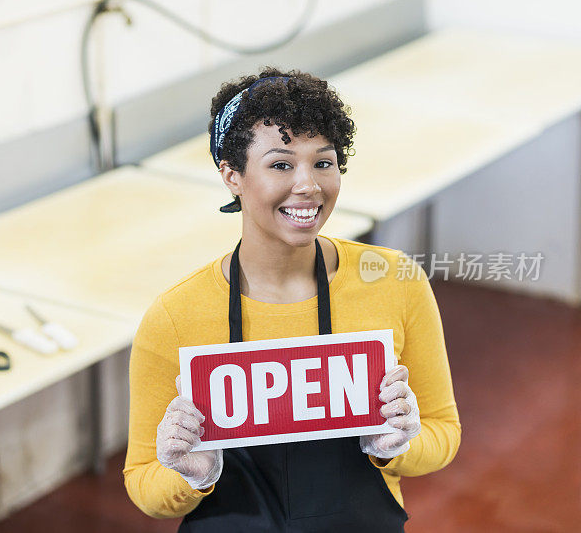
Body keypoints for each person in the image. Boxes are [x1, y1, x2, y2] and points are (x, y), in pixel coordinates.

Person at [122, 66, 461, 532]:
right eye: (281, 164)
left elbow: (444, 432)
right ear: (232, 175)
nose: (308, 185)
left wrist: (398, 444)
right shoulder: (176, 317)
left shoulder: (395, 283)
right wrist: (191, 473)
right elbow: (145, 484)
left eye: (323, 162)